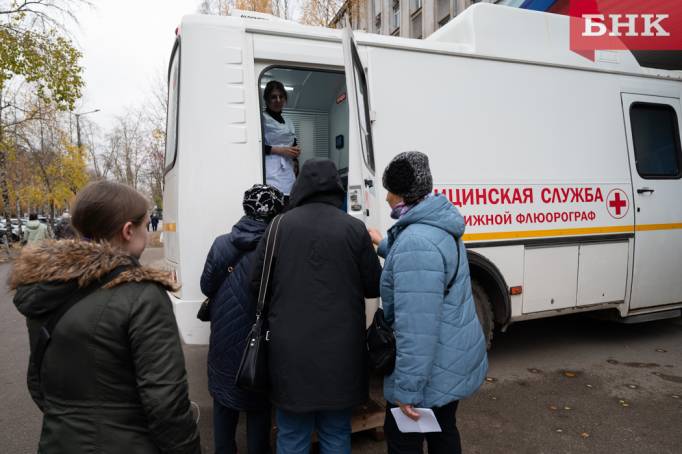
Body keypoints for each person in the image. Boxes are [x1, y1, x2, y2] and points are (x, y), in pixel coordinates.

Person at [11, 180, 201, 454]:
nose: (147, 234)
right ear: (127, 230)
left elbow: (38, 382)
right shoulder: (142, 295)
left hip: (57, 442)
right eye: (145, 225)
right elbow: (165, 403)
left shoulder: (47, 286)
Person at [250, 159, 382, 454]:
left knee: (293, 435)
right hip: (342, 352)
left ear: (300, 187)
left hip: (289, 352)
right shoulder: (354, 228)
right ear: (336, 186)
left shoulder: (278, 226)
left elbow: (254, 286)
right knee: (336, 433)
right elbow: (374, 286)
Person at [367, 151, 488, 454]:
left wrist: (407, 390)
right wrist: (384, 243)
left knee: (404, 440)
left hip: (428, 372)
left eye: (389, 191)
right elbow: (425, 267)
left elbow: (417, 327)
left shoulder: (416, 243)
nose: (386, 199)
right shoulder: (437, 223)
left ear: (403, 194)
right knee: (443, 431)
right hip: (449, 359)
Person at [200, 184, 285, 454]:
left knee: (224, 403)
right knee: (258, 405)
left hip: (224, 334)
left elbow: (206, 286)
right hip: (260, 339)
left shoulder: (221, 243)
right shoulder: (277, 247)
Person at [262, 80, 300, 197]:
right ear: (267, 100)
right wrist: (280, 150)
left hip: (289, 172)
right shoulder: (261, 118)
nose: (278, 100)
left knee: (289, 206)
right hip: (271, 172)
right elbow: (256, 146)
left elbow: (293, 144)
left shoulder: (289, 122)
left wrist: (296, 156)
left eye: (281, 96)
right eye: (273, 97)